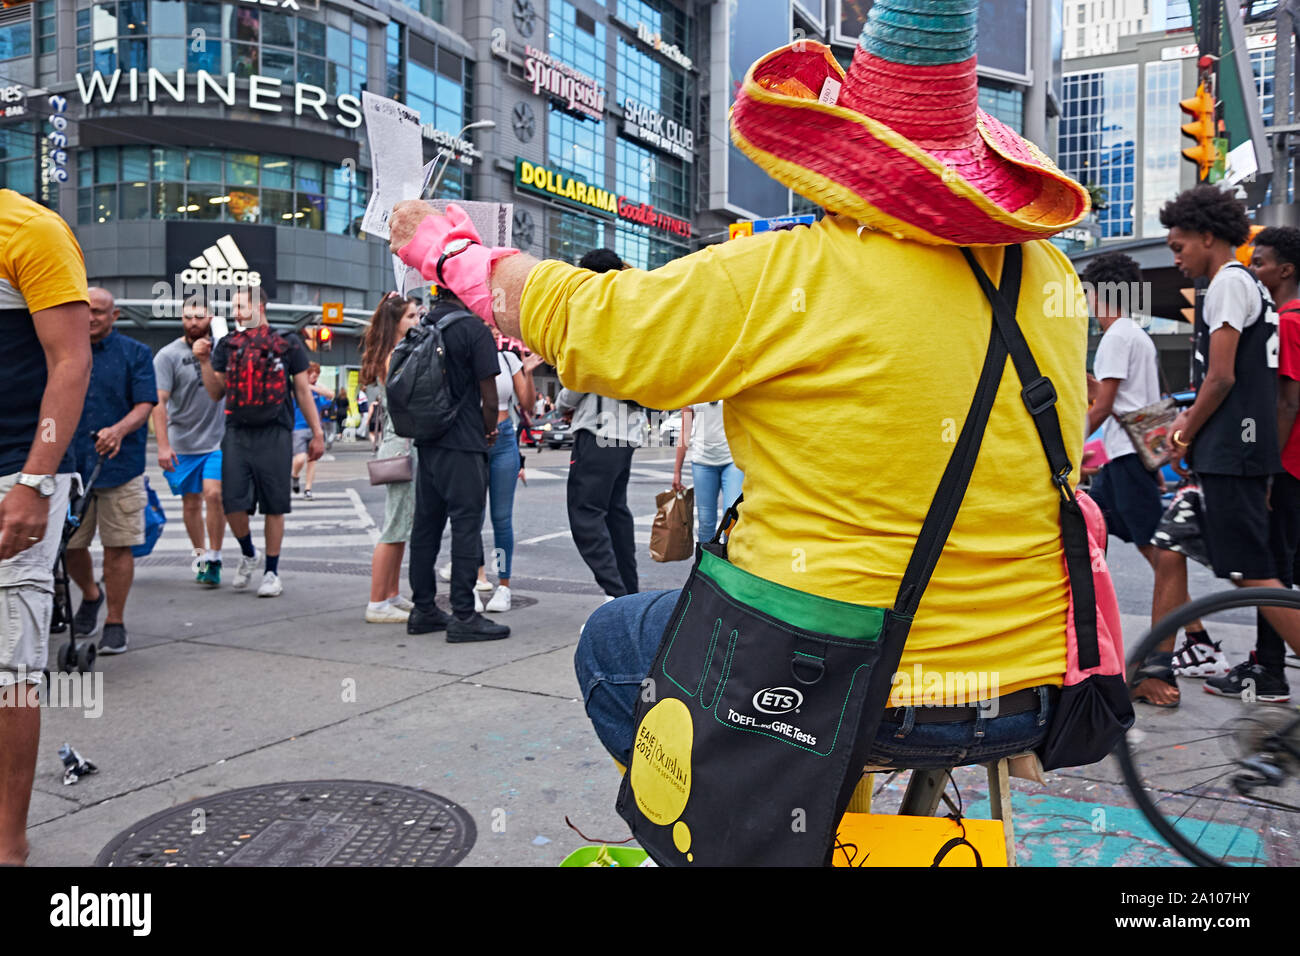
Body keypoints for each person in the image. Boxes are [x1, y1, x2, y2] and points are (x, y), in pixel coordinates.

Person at [390, 0, 1101, 771]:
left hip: (844, 685)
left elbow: (596, 326)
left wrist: (449, 249)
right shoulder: (1047, 277)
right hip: (1028, 692)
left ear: (842, 153)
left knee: (612, 643)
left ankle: (736, 831)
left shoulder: (794, 270)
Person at [1156, 186, 1300, 703]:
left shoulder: (1227, 285)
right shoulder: (1253, 289)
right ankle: (1155, 667)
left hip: (1230, 455)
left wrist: (1182, 432)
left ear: (1208, 236)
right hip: (1239, 454)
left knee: (1252, 572)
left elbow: (1220, 379)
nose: (1176, 257)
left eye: (1179, 246)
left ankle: (1159, 666)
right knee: (1174, 545)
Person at [0, 189, 91, 867]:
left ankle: (9, 843)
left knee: (8, 667)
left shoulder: (29, 230)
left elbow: (70, 361)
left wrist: (34, 482)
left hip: (11, 477)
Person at [1079, 254, 1216, 700]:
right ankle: (1189, 640)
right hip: (1129, 459)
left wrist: (1067, 446)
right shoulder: (1134, 334)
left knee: (1160, 552)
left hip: (1125, 460)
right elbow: (1144, 402)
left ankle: (1188, 647)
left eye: (1089, 294)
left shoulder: (1118, 336)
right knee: (1120, 541)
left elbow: (1102, 404)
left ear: (1103, 294)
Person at [1200, 225, 1300, 701]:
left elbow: (1281, 400)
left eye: (1261, 262)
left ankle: (1270, 670)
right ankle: (1269, 668)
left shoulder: (1279, 313)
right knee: (1269, 568)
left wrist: (1267, 466)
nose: (1253, 268)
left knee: (1261, 569)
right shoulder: (1269, 306)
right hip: (1271, 461)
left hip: (1272, 463)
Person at [194, 286, 324, 597]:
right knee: (233, 503)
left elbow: (303, 391)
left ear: (260, 306)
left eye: (242, 305)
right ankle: (249, 552)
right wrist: (204, 362)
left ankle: (272, 572)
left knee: (274, 505)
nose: (237, 311)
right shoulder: (228, 344)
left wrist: (317, 433)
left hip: (275, 431)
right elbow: (216, 392)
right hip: (237, 431)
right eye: (235, 306)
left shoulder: (288, 342)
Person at [404, 290, 511, 642]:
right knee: (466, 527)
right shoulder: (473, 330)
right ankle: (464, 614)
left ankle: (423, 609)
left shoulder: (423, 324)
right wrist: (489, 430)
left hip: (428, 440)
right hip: (464, 442)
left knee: (426, 527)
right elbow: (489, 393)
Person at [65, 288, 157, 655]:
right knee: (70, 546)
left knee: (118, 547)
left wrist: (119, 430)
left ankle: (115, 620)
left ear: (114, 315)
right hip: (71, 468)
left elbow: (146, 403)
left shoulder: (136, 353)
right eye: (84, 310)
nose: (90, 318)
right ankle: (91, 594)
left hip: (120, 466)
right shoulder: (62, 351)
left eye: (99, 312)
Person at [555, 248, 646, 600]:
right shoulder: (633, 307)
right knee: (615, 514)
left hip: (598, 426)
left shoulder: (598, 311)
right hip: (627, 427)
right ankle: (629, 595)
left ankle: (615, 595)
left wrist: (564, 405)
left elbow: (581, 370)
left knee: (586, 513)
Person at [152, 293, 226, 587]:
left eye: (199, 316)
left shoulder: (223, 350)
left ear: (210, 317)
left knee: (214, 494)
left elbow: (224, 391)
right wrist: (162, 445)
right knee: (191, 503)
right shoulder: (167, 356)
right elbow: (159, 402)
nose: (193, 322)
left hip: (218, 441)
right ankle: (200, 554)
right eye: (187, 317)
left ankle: (216, 557)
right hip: (182, 442)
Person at [359, 293, 420, 623]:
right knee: (394, 527)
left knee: (401, 525)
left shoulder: (393, 352)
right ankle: (377, 602)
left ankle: (391, 594)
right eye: (410, 316)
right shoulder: (396, 355)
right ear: (396, 322)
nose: (416, 321)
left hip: (401, 443)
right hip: (401, 445)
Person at [478, 340, 544, 612]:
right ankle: (473, 580)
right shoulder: (466, 351)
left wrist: (527, 371)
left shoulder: (507, 359)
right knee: (471, 517)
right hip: (473, 437)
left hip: (504, 439)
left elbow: (527, 404)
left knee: (501, 519)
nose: (492, 329)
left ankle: (504, 586)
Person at [672, 401, 743, 542]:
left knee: (732, 517)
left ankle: (728, 560)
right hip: (702, 463)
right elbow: (685, 430)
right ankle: (705, 562)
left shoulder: (730, 383)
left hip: (732, 460)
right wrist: (677, 471)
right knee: (705, 521)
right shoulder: (694, 388)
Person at [290, 362, 333, 500]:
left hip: (315, 428)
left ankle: (308, 489)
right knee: (300, 458)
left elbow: (330, 394)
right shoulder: (296, 388)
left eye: (317, 376)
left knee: (312, 460)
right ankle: (295, 475)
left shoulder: (316, 389)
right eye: (313, 375)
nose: (315, 378)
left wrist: (313, 386)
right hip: (299, 427)